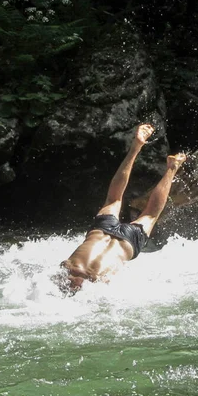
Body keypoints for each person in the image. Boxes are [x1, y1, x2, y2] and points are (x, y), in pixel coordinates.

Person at [60, 123, 186, 291]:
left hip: (125, 243)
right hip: (101, 232)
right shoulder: (70, 271)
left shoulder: (89, 282)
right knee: (114, 199)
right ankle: (138, 147)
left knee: (150, 214)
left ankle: (171, 167)